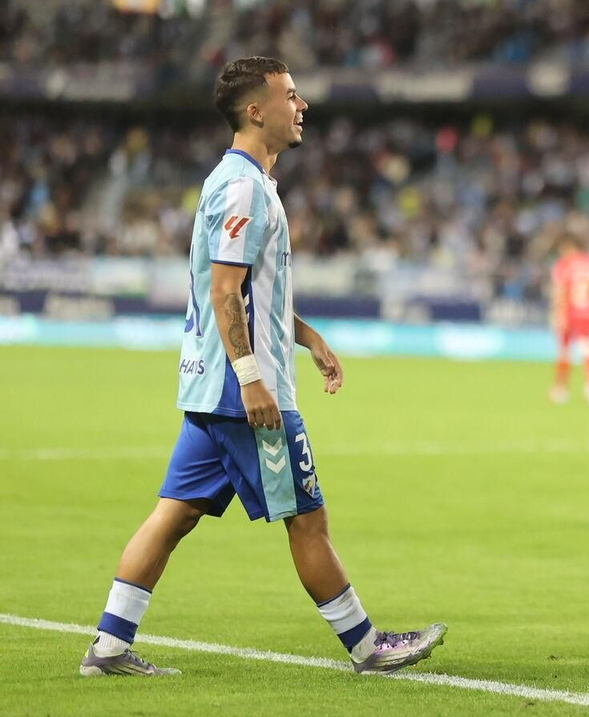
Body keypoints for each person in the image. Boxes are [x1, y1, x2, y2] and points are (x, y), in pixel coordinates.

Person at [79, 57, 446, 678]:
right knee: (308, 518)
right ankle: (367, 646)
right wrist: (252, 379)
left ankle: (109, 646)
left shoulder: (238, 181)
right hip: (243, 392)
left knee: (174, 513)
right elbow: (225, 291)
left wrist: (305, 337)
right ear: (257, 111)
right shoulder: (245, 185)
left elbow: (244, 291)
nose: (302, 107)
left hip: (211, 385)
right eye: (291, 96)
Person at [550, 233, 589, 408]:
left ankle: (561, 389)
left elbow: (560, 290)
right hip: (588, 314)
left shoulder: (564, 264)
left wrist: (559, 313)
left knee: (564, 351)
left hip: (569, 312)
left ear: (568, 248)